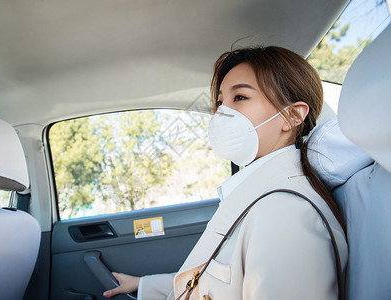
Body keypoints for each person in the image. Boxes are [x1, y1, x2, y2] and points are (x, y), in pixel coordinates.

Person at [103, 46, 348, 300]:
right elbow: (218, 281)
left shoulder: (287, 211)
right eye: (220, 102)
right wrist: (143, 285)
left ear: (292, 115)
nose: (222, 112)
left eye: (240, 97)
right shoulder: (260, 194)